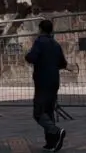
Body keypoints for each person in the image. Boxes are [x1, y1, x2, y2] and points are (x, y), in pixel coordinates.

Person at [26, 19, 67, 151]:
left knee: (38, 112)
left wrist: (27, 55)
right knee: (49, 111)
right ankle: (51, 142)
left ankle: (55, 131)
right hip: (54, 81)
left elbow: (32, 57)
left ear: (40, 29)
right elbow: (63, 63)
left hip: (42, 81)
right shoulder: (55, 44)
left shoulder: (39, 42)